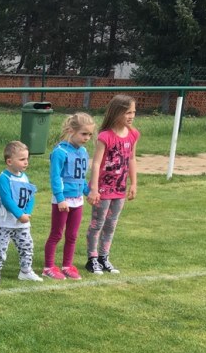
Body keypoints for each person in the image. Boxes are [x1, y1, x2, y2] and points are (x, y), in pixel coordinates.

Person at [86, 94, 139, 275]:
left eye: (133, 112)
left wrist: (134, 183)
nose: (131, 116)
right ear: (117, 112)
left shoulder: (133, 134)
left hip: (120, 189)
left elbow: (131, 159)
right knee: (97, 223)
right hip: (103, 189)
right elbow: (96, 163)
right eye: (128, 112)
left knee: (111, 224)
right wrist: (94, 189)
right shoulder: (105, 136)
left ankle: (104, 257)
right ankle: (92, 258)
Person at [42, 112, 96, 280]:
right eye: (84, 133)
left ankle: (67, 266)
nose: (87, 138)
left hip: (77, 201)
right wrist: (60, 198)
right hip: (63, 201)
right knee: (56, 234)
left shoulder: (83, 152)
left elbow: (81, 177)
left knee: (72, 235)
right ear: (72, 130)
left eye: (90, 134)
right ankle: (48, 267)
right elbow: (55, 177)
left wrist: (88, 192)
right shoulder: (60, 152)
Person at [0, 141, 43, 285]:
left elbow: (30, 196)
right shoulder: (3, 179)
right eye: (22, 159)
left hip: (22, 222)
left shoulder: (24, 177)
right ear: (9, 161)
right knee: (1, 247)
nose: (26, 162)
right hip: (5, 221)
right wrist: (19, 214)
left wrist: (27, 213)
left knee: (27, 246)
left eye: (27, 159)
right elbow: (7, 200)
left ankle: (25, 271)